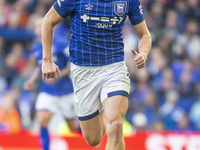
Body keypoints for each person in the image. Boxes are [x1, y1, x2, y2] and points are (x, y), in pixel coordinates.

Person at [41, 0, 152, 149]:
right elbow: (48, 21)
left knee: (116, 125)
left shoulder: (128, 1)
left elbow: (144, 34)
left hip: (114, 68)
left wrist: (143, 54)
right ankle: (104, 104)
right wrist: (47, 60)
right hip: (83, 71)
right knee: (93, 138)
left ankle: (110, 106)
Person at [24, 18, 78, 150]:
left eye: (39, 26)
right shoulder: (36, 47)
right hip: (47, 90)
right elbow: (39, 67)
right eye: (36, 27)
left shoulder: (61, 43)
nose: (37, 29)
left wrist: (57, 75)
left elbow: (73, 64)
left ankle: (94, 141)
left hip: (65, 91)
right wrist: (31, 81)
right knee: (42, 120)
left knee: (73, 127)